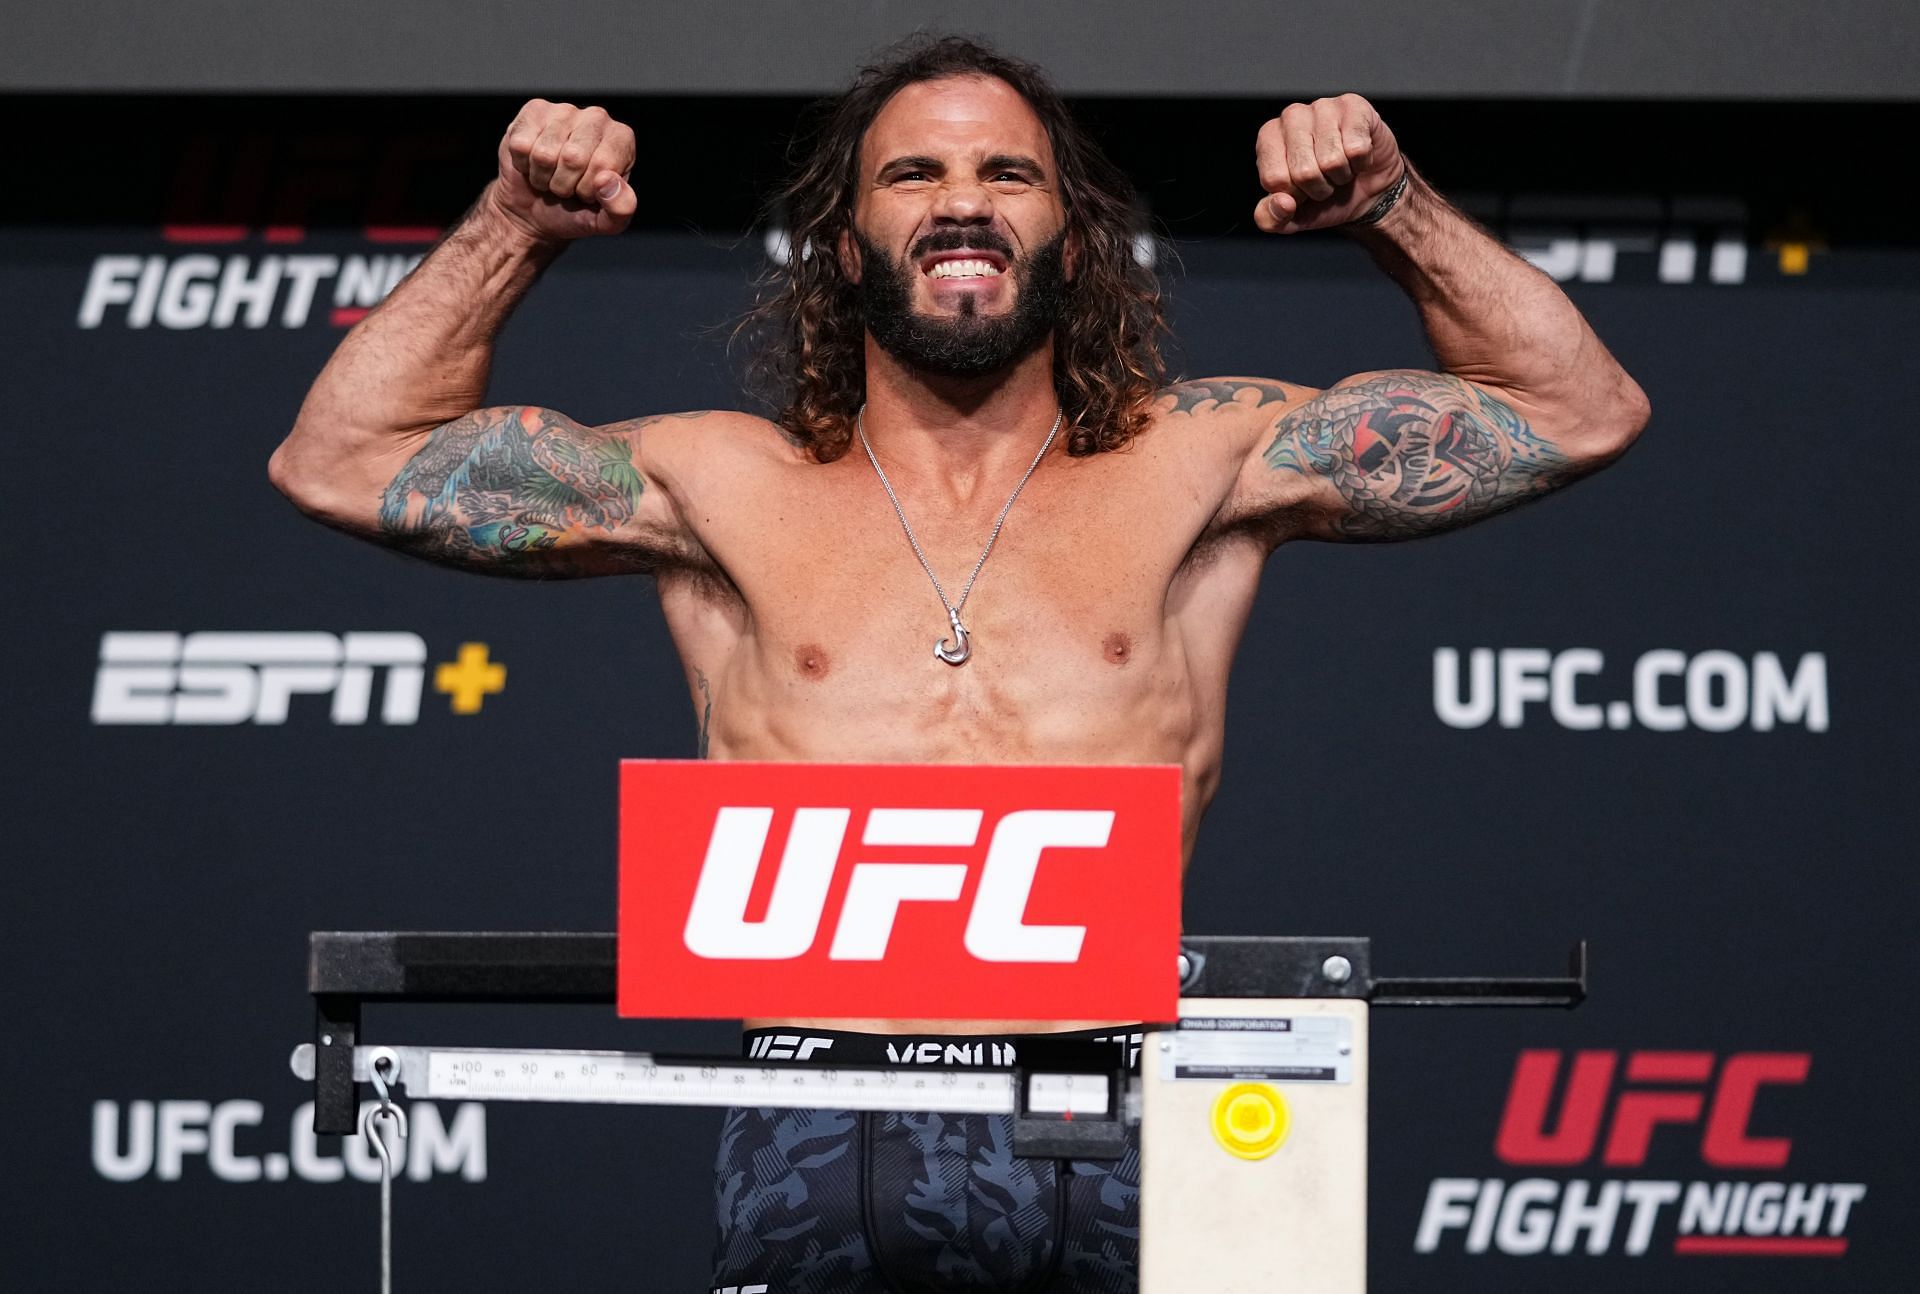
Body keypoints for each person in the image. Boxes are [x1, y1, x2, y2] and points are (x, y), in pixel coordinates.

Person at [270, 34, 1647, 1294]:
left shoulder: (1202, 462)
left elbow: (1578, 408)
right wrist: (514, 225)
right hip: (819, 1114)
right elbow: (338, 460)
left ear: (1071, 229)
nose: (964, 199)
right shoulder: (717, 486)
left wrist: (1395, 207)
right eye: (913, 172)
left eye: (1007, 171)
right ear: (848, 241)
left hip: (1115, 1102)